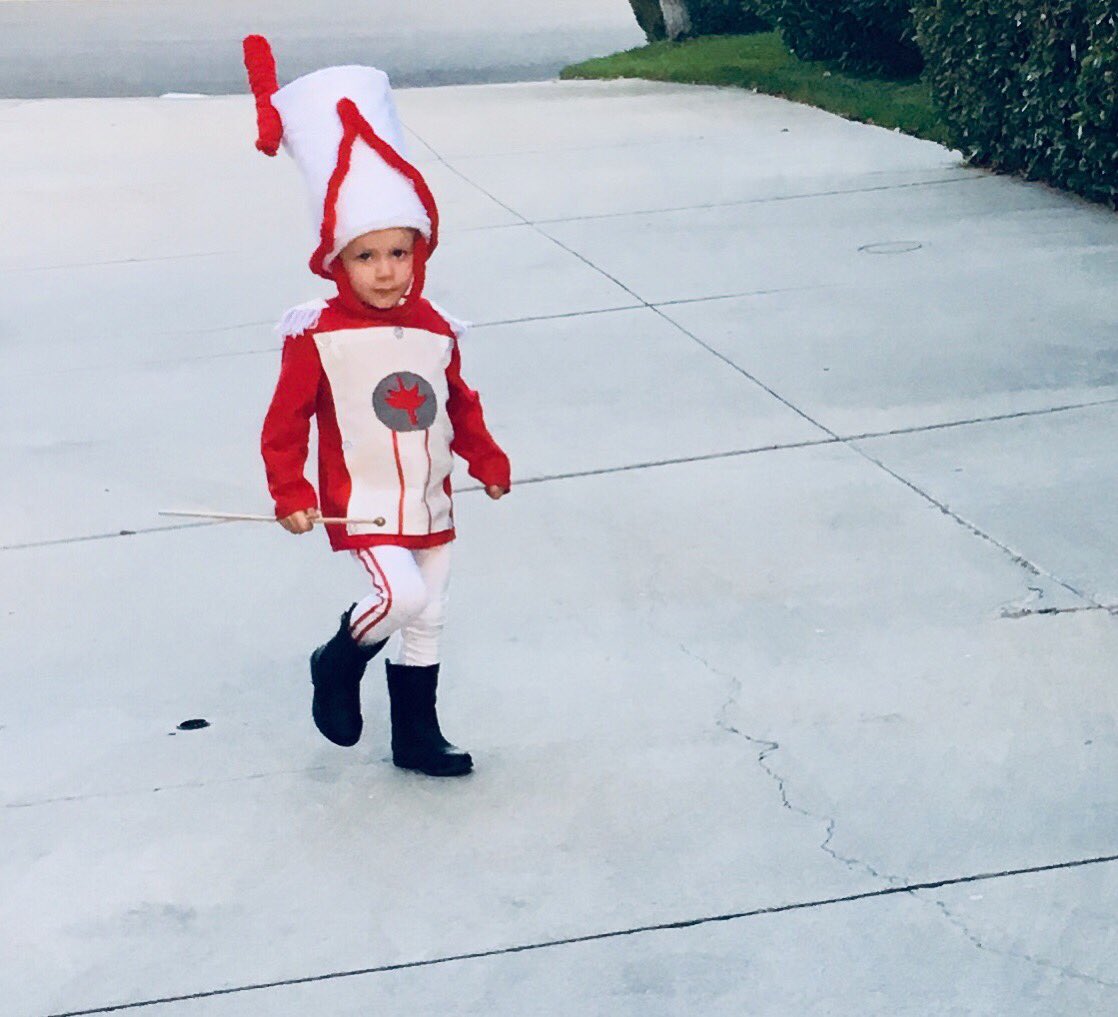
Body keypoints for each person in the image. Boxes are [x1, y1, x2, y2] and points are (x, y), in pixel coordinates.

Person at [244, 35, 510, 777]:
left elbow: (459, 404)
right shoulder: (316, 334)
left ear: (419, 251)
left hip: (429, 498)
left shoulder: (435, 327)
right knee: (396, 596)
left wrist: (486, 458)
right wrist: (290, 490)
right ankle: (337, 659)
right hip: (360, 501)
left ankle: (416, 738)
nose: (386, 270)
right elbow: (284, 423)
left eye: (399, 252)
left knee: (428, 614)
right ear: (335, 260)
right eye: (366, 256)